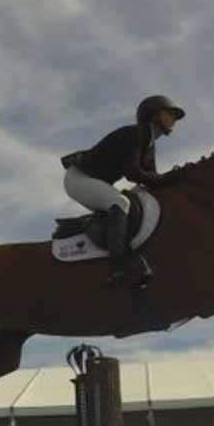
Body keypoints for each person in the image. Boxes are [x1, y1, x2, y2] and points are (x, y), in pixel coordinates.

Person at [61, 95, 187, 287]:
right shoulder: (136, 134)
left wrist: (176, 179)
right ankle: (119, 268)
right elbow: (133, 173)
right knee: (120, 202)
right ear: (154, 115)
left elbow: (153, 181)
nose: (174, 119)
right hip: (79, 178)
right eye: (170, 114)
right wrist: (168, 178)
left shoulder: (149, 145)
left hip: (93, 179)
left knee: (130, 201)